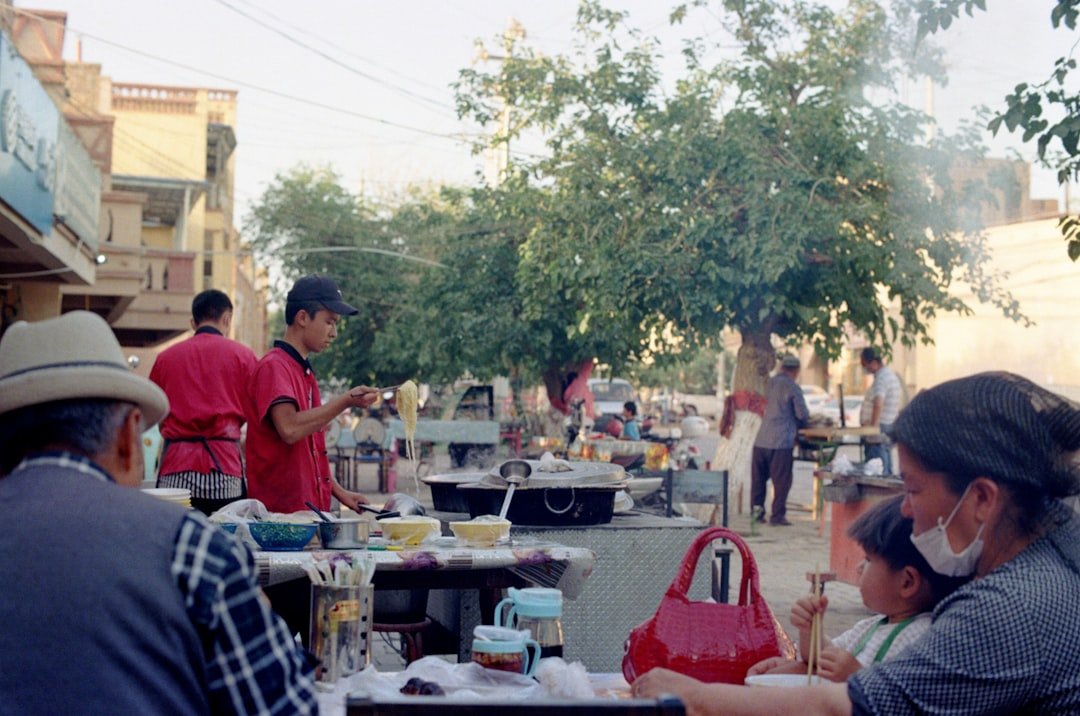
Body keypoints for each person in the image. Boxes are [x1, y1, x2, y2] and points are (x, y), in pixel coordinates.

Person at [633, 372, 1080, 714]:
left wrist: (694, 695)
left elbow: (848, 708)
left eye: (913, 489)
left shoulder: (1010, 606)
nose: (905, 509)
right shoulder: (1047, 551)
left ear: (981, 498)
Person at [0, 311, 316, 714]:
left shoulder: (169, 359)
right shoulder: (192, 549)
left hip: (180, 463)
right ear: (129, 438)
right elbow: (281, 707)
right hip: (221, 466)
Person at [749, 495, 965, 682]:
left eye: (869, 559)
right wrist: (810, 630)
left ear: (907, 582)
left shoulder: (920, 637)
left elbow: (898, 699)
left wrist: (856, 677)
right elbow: (822, 659)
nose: (860, 567)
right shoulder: (871, 626)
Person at [246, 274, 379, 513]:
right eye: (330, 321)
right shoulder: (274, 367)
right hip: (282, 521)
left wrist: (339, 492)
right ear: (303, 318)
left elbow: (310, 450)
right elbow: (290, 429)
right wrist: (346, 401)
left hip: (309, 515)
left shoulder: (304, 371)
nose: (334, 333)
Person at [149, 289, 257, 515]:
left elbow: (156, 413)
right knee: (223, 540)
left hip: (175, 472)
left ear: (193, 322)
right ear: (227, 319)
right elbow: (254, 413)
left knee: (176, 542)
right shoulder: (244, 356)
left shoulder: (165, 358)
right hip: (225, 471)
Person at [751, 354, 810, 526]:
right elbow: (802, 414)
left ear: (782, 367)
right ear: (796, 371)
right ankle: (777, 516)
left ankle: (757, 514)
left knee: (758, 481)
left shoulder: (767, 384)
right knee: (781, 481)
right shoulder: (792, 387)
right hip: (781, 442)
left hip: (760, 440)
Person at [859, 347, 902, 475]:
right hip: (888, 425)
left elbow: (878, 403)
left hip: (880, 427)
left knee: (876, 469)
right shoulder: (891, 375)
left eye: (865, 365)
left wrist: (873, 428)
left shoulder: (881, 379)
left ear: (874, 363)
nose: (865, 369)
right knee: (886, 467)